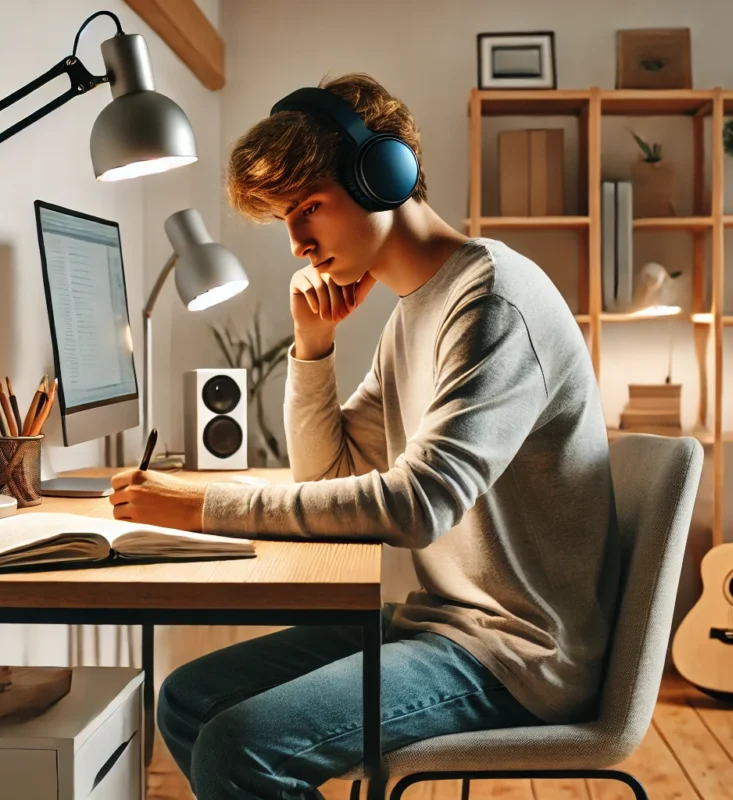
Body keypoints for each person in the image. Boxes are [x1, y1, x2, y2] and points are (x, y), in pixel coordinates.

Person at [108, 74, 619, 799]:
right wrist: (312, 348)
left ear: (386, 175)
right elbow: (325, 478)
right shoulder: (416, 311)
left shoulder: (494, 300)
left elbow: (417, 506)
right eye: (287, 219)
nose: (298, 244)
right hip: (442, 623)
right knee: (189, 699)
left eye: (309, 207)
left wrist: (202, 508)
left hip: (516, 654)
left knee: (238, 749)